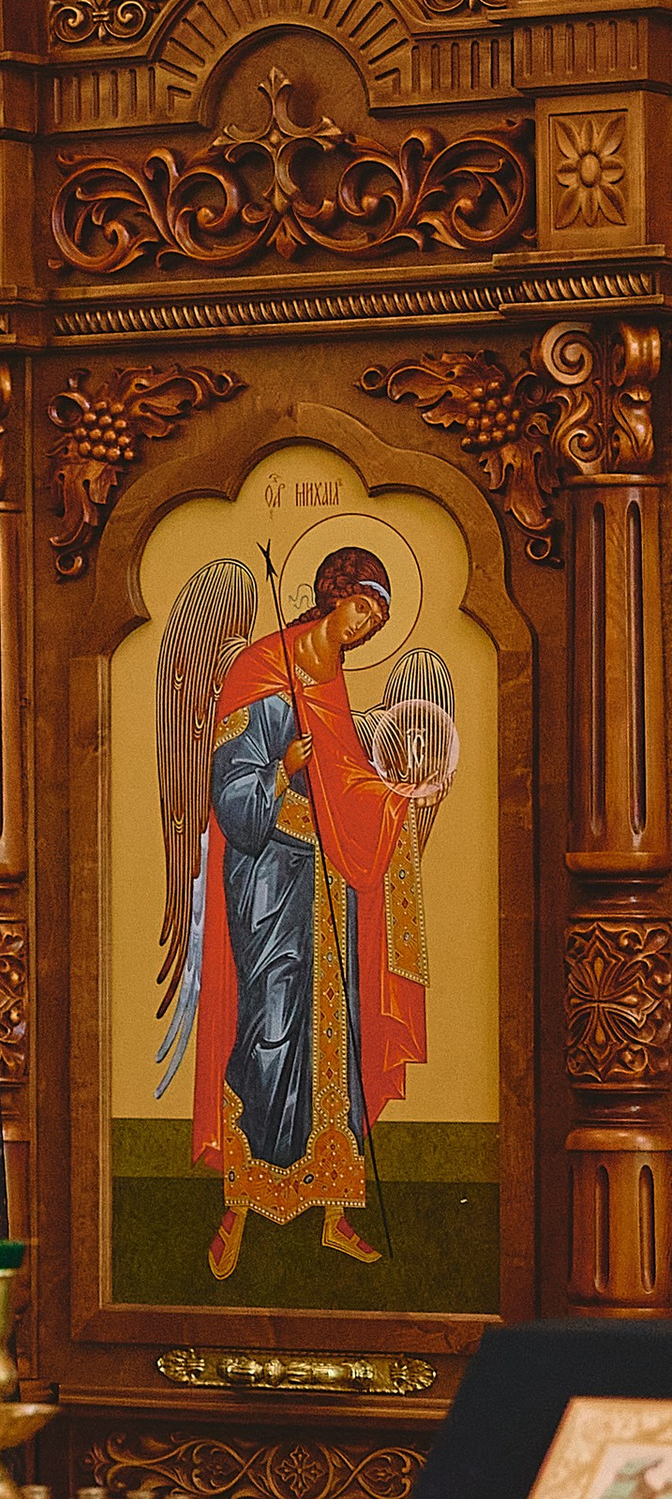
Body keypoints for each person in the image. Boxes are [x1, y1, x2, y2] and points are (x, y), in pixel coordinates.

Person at [192, 546, 430, 1277]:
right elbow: (230, 793)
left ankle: (334, 1214)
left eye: (376, 620)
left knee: (339, 1033)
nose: (363, 625)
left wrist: (391, 795)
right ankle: (241, 1206)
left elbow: (344, 782)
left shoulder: (332, 681)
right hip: (267, 876)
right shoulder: (263, 670)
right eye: (361, 608)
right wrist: (280, 771)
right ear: (335, 595)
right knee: (270, 1024)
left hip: (328, 879)